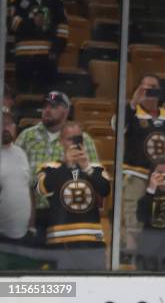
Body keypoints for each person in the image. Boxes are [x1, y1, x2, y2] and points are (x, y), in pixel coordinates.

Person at [16, 91, 98, 241]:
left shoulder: (83, 140)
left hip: (67, 213)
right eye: (45, 105)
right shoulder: (26, 137)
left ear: (66, 110)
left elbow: (94, 178)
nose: (47, 109)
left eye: (53, 106)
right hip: (32, 212)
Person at [35, 122, 110, 270]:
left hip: (91, 241)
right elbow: (42, 189)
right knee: (64, 290)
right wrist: (67, 165)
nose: (75, 143)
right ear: (61, 141)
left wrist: (86, 168)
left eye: (78, 138)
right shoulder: (49, 168)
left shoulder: (96, 168)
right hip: (60, 241)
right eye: (70, 139)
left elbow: (105, 190)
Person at [120, 74, 165, 251]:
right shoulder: (132, 112)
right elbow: (117, 128)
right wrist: (132, 103)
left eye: (153, 87)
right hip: (136, 173)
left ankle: (155, 249)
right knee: (133, 215)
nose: (149, 91)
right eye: (145, 87)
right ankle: (131, 252)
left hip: (164, 175)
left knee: (160, 213)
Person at [8, 0, 68, 93]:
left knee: (49, 94)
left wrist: (56, 50)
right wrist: (32, 23)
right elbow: (12, 23)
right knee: (23, 93)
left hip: (47, 55)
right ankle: (22, 113)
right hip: (24, 54)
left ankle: (48, 110)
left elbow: (63, 26)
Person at [0, 108, 32, 241]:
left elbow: (27, 188)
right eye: (2, 123)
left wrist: (32, 225)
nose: (5, 128)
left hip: (20, 233)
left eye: (9, 124)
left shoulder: (20, 152)